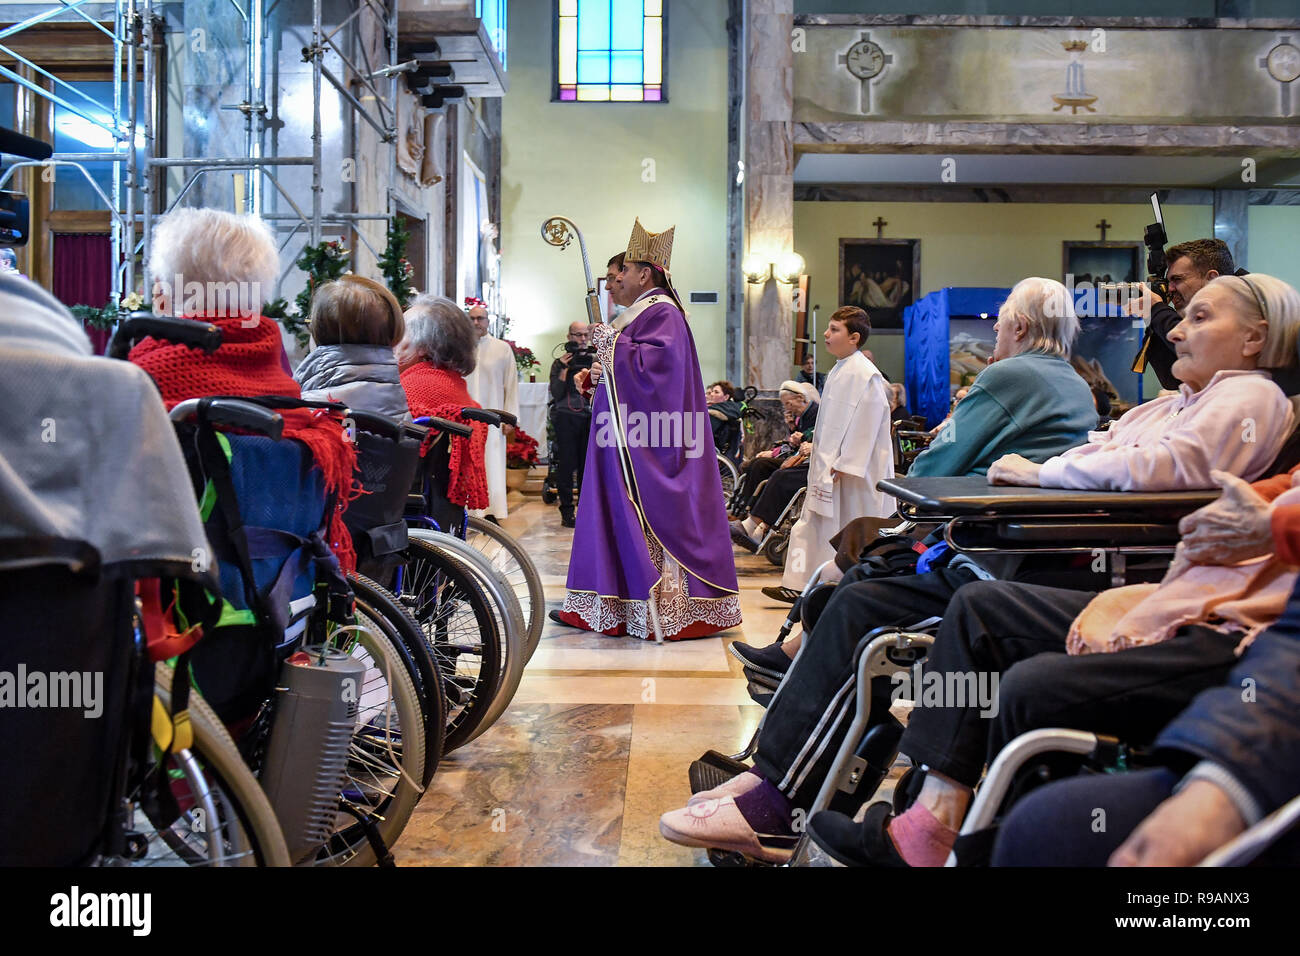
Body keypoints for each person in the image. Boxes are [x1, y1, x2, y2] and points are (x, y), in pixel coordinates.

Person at [661, 274, 1299, 864]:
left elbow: (965, 460)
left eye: (1199, 317)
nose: (1177, 331)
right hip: (1056, 540)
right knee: (870, 582)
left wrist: (1036, 472)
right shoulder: (1141, 396)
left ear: (1255, 337)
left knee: (867, 596)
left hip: (1075, 557)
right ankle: (793, 773)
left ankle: (784, 796)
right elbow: (1104, 452)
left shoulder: (1245, 397)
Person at [128, 207, 358, 571]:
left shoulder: (145, 377)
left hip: (174, 583)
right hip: (279, 578)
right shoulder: (277, 379)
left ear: (174, 285)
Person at [552, 218, 740, 640]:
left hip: (644, 441)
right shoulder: (643, 314)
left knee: (636, 511)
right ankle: (608, 606)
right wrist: (599, 375)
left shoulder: (662, 312)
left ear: (646, 273)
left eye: (624, 269)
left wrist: (611, 345)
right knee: (608, 513)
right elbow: (630, 370)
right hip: (620, 438)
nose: (616, 277)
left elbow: (659, 371)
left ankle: (668, 608)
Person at [778, 306, 895, 594]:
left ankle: (837, 583)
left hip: (851, 472)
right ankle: (806, 582)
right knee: (817, 523)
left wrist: (847, 462)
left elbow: (868, 420)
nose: (826, 335)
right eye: (828, 328)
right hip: (829, 465)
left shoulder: (865, 374)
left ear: (854, 337)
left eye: (834, 330)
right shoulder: (841, 368)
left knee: (846, 525)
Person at [396, 294, 489, 514]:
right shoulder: (452, 383)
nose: (392, 342)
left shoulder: (413, 387)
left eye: (400, 333)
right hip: (440, 504)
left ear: (423, 346)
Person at [1130, 238, 1240, 390]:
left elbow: (1197, 349)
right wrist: (1154, 314)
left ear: (1212, 279)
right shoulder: (1198, 319)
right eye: (1168, 282)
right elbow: (1172, 380)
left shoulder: (1243, 314)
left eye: (1177, 279)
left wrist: (1157, 310)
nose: (1170, 289)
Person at [293, 274, 409, 419]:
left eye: (310, 323)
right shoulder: (399, 399)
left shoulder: (302, 411)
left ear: (319, 333)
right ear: (393, 331)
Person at [729, 382, 817, 521]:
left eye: (789, 404)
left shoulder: (814, 412)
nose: (788, 408)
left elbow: (809, 438)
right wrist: (792, 427)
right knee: (754, 464)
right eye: (785, 405)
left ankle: (754, 516)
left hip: (806, 459)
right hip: (795, 455)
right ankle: (743, 508)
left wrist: (799, 438)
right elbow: (795, 441)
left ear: (800, 398)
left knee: (764, 467)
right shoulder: (801, 415)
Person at [464, 298, 518, 522]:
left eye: (480, 318)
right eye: (472, 318)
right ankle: (467, 510)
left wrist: (509, 418)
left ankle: (492, 510)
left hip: (493, 418)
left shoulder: (501, 348)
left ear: (488, 321)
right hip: (465, 418)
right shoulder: (460, 347)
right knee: (468, 463)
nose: (477, 322)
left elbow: (511, 384)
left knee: (492, 463)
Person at [550, 319, 596, 527]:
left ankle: (586, 511)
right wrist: (564, 369)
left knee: (588, 466)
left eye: (586, 334)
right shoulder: (560, 363)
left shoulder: (596, 360)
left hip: (590, 417)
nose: (583, 339)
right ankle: (567, 512)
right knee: (566, 465)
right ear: (569, 337)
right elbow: (557, 393)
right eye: (578, 335)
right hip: (566, 417)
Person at [706, 379, 743, 459]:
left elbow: (704, 433)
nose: (712, 394)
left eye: (716, 392)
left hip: (714, 448)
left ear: (726, 397)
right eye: (712, 391)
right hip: (731, 450)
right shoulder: (733, 408)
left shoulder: (715, 412)